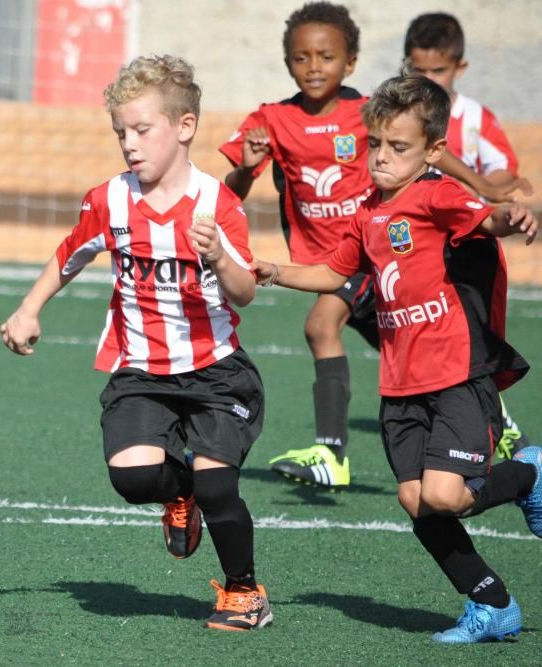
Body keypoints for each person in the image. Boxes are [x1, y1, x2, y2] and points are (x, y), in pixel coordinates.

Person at [253, 74, 542, 643]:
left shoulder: (437, 193)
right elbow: (334, 272)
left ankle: (530, 472)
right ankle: (493, 604)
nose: (381, 158)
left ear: (433, 150)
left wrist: (516, 214)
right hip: (400, 381)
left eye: (398, 148)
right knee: (416, 501)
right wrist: (274, 271)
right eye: (375, 145)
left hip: (458, 373)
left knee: (443, 494)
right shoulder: (368, 212)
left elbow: (487, 216)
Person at [1, 55, 272, 631]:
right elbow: (69, 253)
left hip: (216, 372)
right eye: (121, 132)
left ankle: (245, 593)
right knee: (132, 479)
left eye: (142, 130)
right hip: (142, 370)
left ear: (184, 126)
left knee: (219, 483)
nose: (129, 143)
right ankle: (182, 495)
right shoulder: (110, 200)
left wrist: (220, 256)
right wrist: (29, 308)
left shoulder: (216, 204)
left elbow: (245, 292)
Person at [219, 1, 527, 490]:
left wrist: (482, 188)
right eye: (301, 58)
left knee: (322, 324)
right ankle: (499, 421)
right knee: (405, 342)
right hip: (338, 260)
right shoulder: (272, 120)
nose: (314, 67)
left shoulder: (369, 114)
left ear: (351, 62)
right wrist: (245, 166)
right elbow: (231, 191)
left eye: (326, 56)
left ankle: (332, 454)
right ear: (287, 62)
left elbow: (426, 150)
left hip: (375, 253)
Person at [403, 11, 532, 457]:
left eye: (437, 70)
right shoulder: (402, 117)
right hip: (417, 250)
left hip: (470, 248)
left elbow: (500, 168)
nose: (427, 78)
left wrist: (499, 187)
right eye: (418, 69)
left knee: (474, 343)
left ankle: (497, 425)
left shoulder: (475, 119)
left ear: (459, 68)